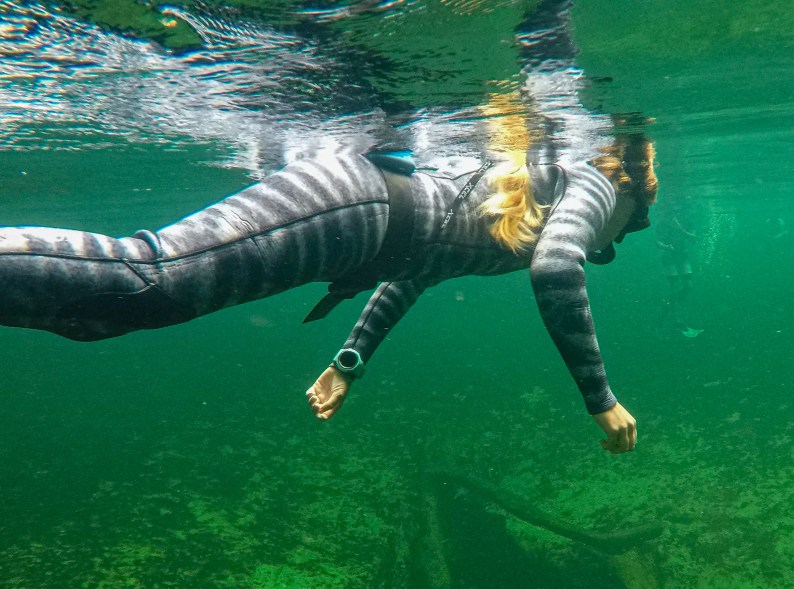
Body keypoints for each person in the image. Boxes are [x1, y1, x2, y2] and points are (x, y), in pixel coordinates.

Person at [0, 123, 658, 454]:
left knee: (123, 306)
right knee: (147, 280)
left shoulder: (532, 204)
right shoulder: (598, 184)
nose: (614, 243)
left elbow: (418, 271)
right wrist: (599, 398)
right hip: (356, 208)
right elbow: (558, 267)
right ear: (631, 190)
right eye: (631, 228)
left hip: (361, 217)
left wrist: (350, 360)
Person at [656, 209, 702, 337]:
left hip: (683, 255)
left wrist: (680, 228)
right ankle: (677, 320)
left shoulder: (687, 221)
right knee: (674, 285)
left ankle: (666, 309)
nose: (674, 215)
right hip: (668, 257)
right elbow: (657, 241)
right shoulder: (661, 223)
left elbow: (694, 238)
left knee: (688, 286)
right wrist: (666, 247)